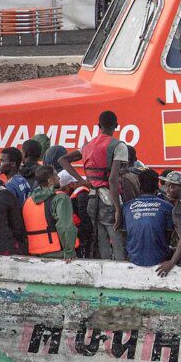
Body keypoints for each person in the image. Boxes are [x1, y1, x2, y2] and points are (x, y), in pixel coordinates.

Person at [59, 110, 128, 260]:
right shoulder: (118, 146)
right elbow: (113, 180)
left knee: (101, 239)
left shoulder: (87, 146)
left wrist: (82, 180)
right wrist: (117, 208)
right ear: (116, 126)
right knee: (116, 240)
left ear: (98, 125)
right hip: (108, 199)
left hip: (92, 199)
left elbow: (62, 160)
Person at [22, 165, 78, 261]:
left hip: (34, 252)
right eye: (56, 175)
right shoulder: (61, 198)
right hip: (57, 252)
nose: (59, 178)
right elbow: (65, 226)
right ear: (50, 181)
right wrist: (69, 252)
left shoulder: (28, 201)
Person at [123, 169, 174, 267]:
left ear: (140, 187)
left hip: (134, 258)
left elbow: (126, 234)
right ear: (157, 187)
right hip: (160, 258)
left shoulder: (126, 207)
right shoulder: (167, 207)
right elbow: (168, 236)